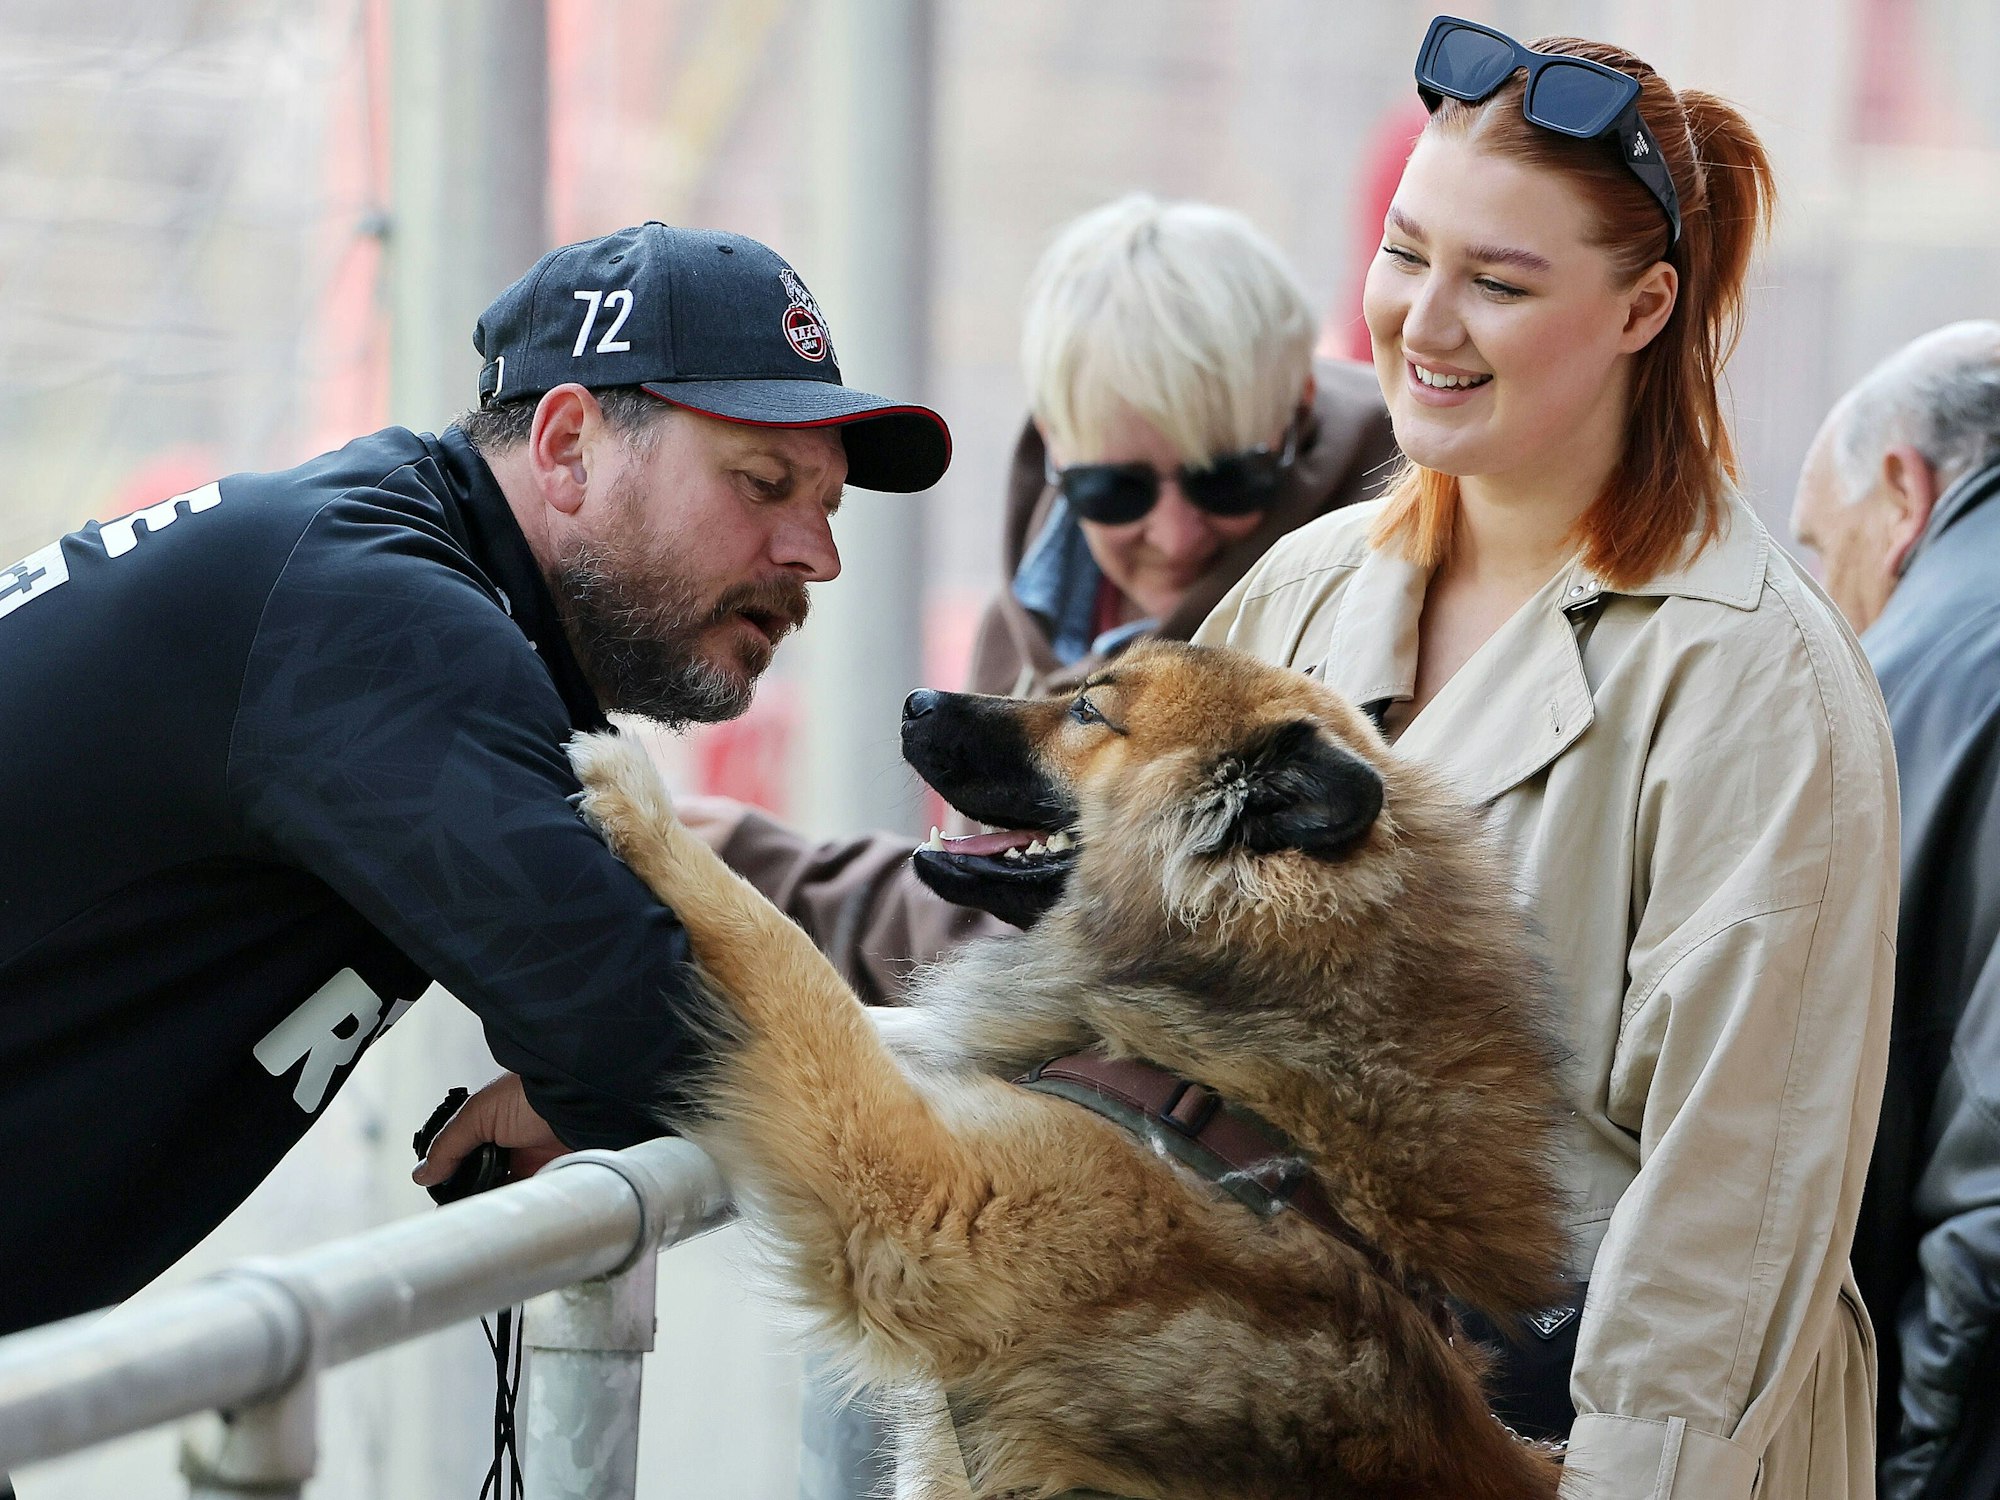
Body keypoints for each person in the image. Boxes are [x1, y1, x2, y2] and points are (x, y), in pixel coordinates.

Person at [0, 221, 949, 1337]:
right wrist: (594, 1076)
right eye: (761, 482)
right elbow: (655, 1041)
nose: (814, 555)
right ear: (566, 448)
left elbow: (620, 1033)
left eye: (825, 506)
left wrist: (583, 1079)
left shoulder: (374, 573)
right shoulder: (373, 620)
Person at [1197, 21, 1896, 1499]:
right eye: (1407, 253)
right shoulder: (1305, 592)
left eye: (1499, 284)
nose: (1422, 323)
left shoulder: (1755, 685)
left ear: (1646, 308)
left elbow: (1727, 1230)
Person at [685, 193, 1396, 1001]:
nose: (1173, 532)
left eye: (1226, 477)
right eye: (1115, 490)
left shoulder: (1354, 600)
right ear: (1057, 447)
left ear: (1298, 414)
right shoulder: (1028, 616)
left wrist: (779, 873)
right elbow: (993, 904)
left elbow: (1093, 948)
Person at [1792, 321, 2000, 1500]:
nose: (1837, 600)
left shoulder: (1895, 691)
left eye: (1824, 551)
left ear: (1903, 489)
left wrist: (1905, 1468)